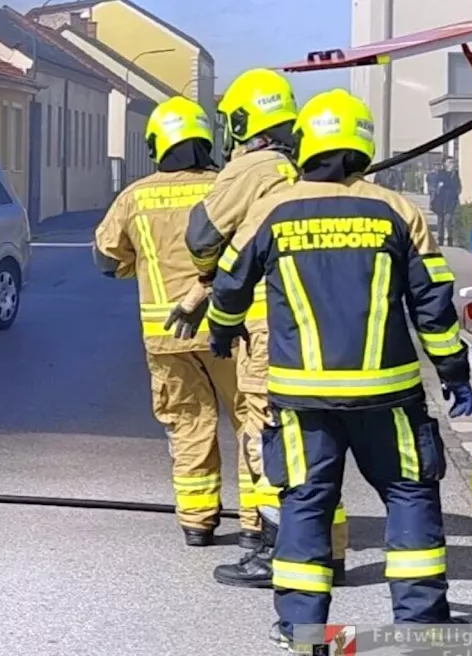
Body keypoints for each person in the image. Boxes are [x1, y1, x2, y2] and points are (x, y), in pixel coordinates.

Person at [206, 89, 472, 651]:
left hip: (301, 398)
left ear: (306, 145)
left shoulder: (272, 208)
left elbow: (229, 284)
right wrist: (451, 370)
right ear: (363, 144)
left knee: (305, 501)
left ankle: (305, 632)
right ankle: (420, 625)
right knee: (408, 494)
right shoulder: (396, 209)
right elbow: (432, 303)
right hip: (389, 395)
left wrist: (225, 332)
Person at [178, 68, 349, 584]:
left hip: (266, 321)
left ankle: (281, 554)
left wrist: (220, 267)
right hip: (322, 318)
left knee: (266, 434)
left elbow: (201, 235)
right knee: (314, 437)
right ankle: (328, 548)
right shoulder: (316, 165)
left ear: (244, 122)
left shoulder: (255, 167)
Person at [93, 96, 243, 546]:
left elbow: (105, 257)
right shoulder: (226, 189)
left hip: (167, 338)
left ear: (158, 144)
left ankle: (197, 520)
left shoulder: (136, 196)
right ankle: (258, 523)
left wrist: (136, 260)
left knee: (188, 422)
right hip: (229, 329)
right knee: (250, 419)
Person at [429, 158, 462, 246]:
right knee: (440, 220)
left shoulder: (455, 174)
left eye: (453, 162)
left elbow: (458, 186)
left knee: (448, 220)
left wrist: (456, 193)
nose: (452, 164)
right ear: (445, 164)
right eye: (450, 162)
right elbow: (434, 185)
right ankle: (440, 239)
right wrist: (437, 188)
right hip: (441, 200)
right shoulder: (441, 174)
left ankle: (450, 239)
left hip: (450, 201)